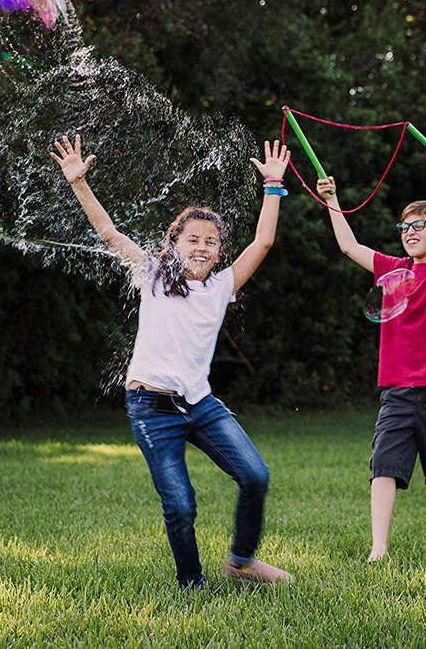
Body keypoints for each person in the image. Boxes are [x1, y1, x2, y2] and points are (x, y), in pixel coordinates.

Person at [51, 134, 293, 587]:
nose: (202, 247)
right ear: (174, 243)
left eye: (212, 242)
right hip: (151, 408)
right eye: (192, 238)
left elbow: (262, 242)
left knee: (255, 475)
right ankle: (191, 582)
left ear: (220, 252)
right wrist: (79, 183)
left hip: (200, 405)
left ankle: (240, 563)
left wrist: (274, 186)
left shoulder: (222, 287)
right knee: (180, 504)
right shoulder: (153, 275)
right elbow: (109, 233)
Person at [316, 165, 426, 561]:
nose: (409, 232)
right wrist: (332, 203)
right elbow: (349, 247)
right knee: (384, 463)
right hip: (396, 390)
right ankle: (378, 548)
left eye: (419, 225)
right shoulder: (394, 270)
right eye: (404, 227)